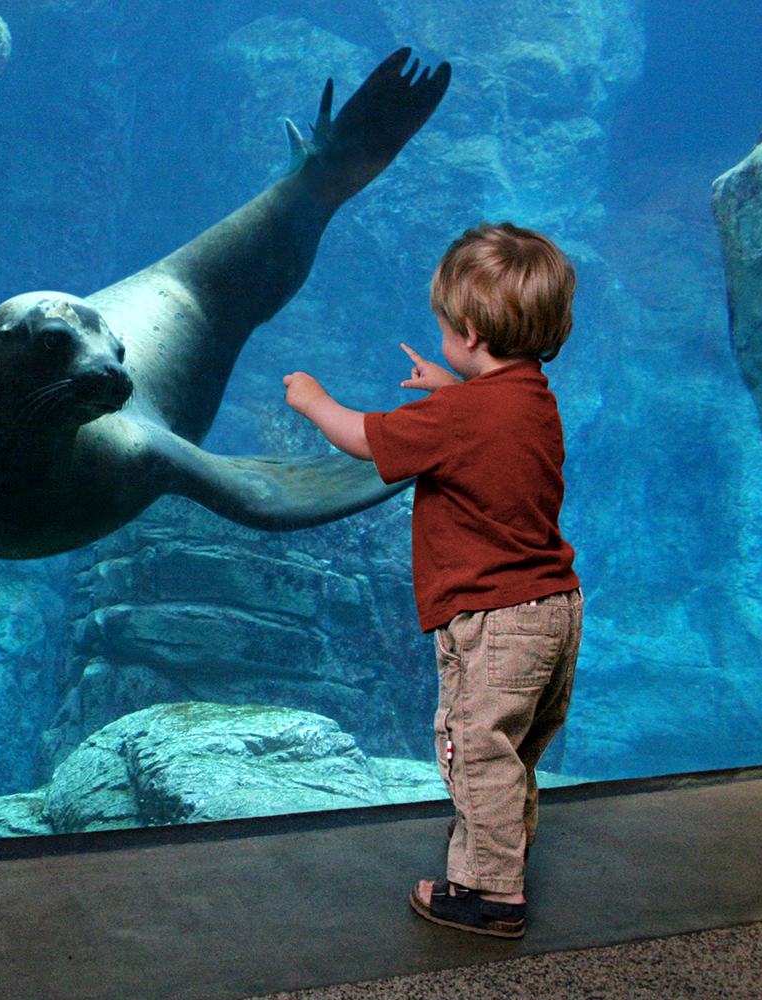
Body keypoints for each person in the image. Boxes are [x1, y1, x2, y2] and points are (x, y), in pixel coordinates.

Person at [282, 221, 582, 939]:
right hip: (555, 610)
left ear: (471, 331)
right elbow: (486, 419)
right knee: (510, 753)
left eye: (446, 326)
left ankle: (491, 894)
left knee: (473, 750)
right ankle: (503, 850)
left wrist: (313, 399)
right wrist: (451, 386)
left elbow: (363, 438)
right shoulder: (532, 395)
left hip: (496, 620)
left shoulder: (458, 415)